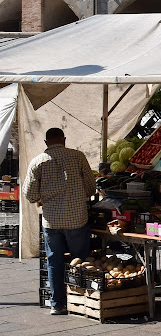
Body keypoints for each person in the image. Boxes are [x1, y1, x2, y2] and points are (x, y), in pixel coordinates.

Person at [22, 128, 96, 315]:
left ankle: (57, 304)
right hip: (77, 218)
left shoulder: (37, 162)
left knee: (54, 261)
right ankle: (82, 303)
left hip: (51, 221)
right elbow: (90, 187)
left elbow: (29, 195)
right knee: (80, 260)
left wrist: (43, 196)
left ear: (46, 142)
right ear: (64, 139)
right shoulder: (78, 156)